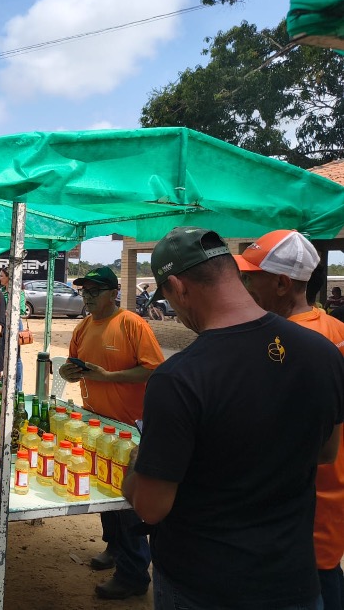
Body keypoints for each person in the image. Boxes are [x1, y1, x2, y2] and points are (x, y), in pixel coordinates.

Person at [123, 226, 344, 610]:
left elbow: (151, 507)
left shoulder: (179, 378)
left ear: (178, 287)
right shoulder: (322, 351)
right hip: (293, 578)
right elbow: (326, 451)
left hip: (204, 584)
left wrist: (135, 466)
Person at [234, 229, 344, 609]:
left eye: (251, 277)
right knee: (326, 573)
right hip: (328, 496)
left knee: (312, 584)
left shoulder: (279, 342)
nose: (244, 286)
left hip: (297, 504)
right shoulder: (335, 330)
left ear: (281, 284)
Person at [60, 265, 163, 600]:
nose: (87, 298)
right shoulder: (84, 326)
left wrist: (107, 377)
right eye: (84, 292)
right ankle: (115, 548)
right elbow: (73, 364)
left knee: (127, 500)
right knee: (106, 489)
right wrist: (68, 372)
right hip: (98, 424)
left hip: (131, 428)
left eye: (94, 291)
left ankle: (133, 573)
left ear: (113, 293)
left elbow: (155, 371)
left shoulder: (131, 323)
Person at [0, 266, 24, 392]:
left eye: (2, 276)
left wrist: (9, 311)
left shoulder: (18, 291)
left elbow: (22, 309)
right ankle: (4, 384)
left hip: (15, 324)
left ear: (9, 277)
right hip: (3, 323)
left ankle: (17, 388)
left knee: (16, 355)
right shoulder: (0, 291)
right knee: (3, 352)